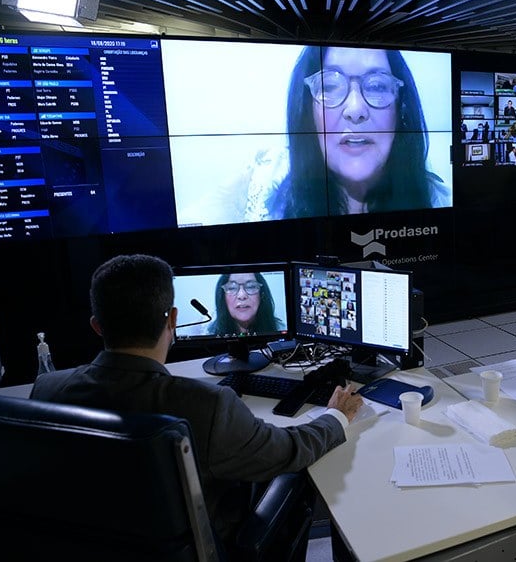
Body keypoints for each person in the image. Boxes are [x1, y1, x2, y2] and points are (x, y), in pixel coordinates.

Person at [30, 254, 364, 551]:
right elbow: (287, 450)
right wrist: (335, 417)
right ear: (172, 320)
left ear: (96, 326)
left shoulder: (47, 392)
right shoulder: (207, 405)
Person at [244, 46, 448, 220]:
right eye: (330, 85)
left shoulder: (441, 202)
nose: (355, 109)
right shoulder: (258, 188)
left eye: (377, 86)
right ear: (307, 110)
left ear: (401, 108)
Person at [209, 272, 285, 336]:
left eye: (251, 287)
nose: (242, 295)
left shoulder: (281, 329)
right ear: (223, 297)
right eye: (232, 288)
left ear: (262, 295)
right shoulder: (207, 333)